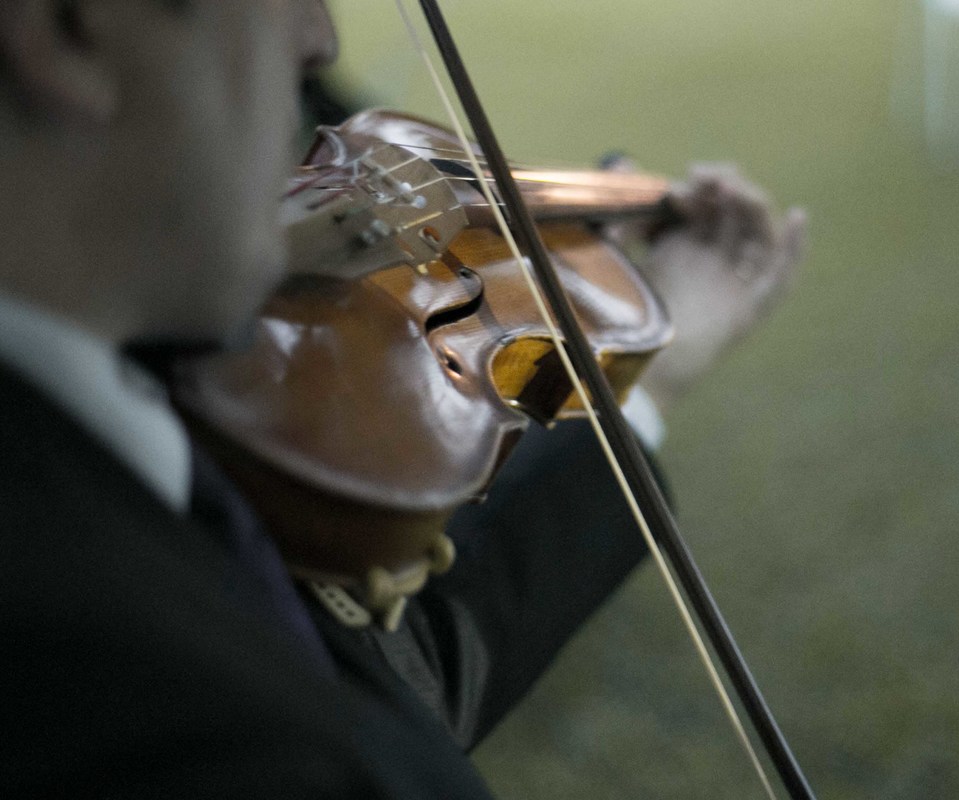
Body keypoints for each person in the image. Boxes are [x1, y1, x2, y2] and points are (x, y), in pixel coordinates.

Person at [0, 0, 804, 795]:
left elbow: (362, 670)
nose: (321, 39)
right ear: (68, 24)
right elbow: (369, 697)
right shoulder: (218, 743)